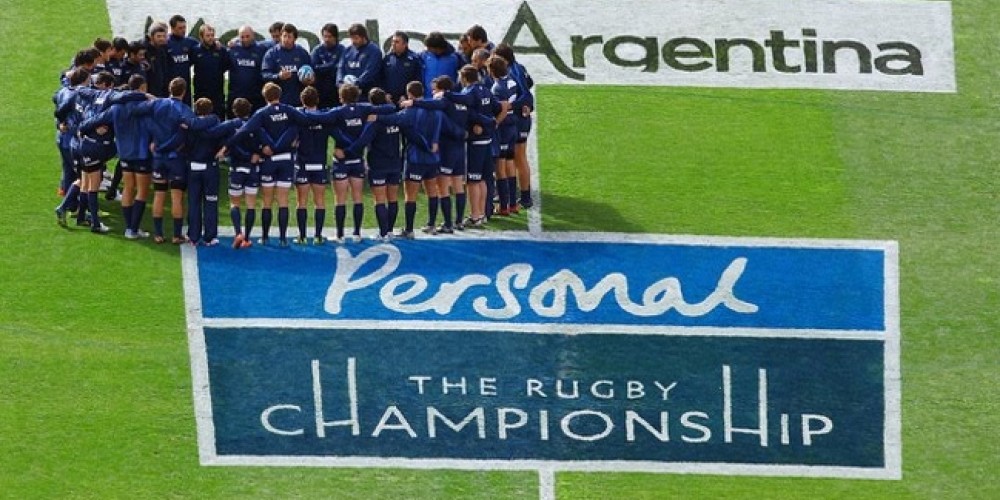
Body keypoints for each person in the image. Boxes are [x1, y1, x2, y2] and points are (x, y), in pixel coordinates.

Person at [228, 82, 311, 246]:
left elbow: (245, 130)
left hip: (269, 161)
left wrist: (227, 145)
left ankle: (265, 237)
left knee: (267, 201)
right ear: (279, 95)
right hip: (286, 159)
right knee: (283, 201)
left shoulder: (262, 113)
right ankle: (282, 239)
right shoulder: (289, 110)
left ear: (264, 96)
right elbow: (305, 120)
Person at [309, 83, 394, 243]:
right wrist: (381, 111)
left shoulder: (338, 112)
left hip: (341, 160)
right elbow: (390, 109)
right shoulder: (364, 108)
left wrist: (299, 111)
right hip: (357, 159)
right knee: (357, 198)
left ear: (341, 97)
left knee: (340, 199)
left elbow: (316, 117)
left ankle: (340, 235)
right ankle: (356, 234)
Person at [78, 74, 155, 239]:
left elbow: (93, 120)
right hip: (142, 154)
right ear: (142, 88)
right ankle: (133, 229)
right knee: (141, 191)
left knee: (128, 188)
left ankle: (129, 229)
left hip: (125, 153)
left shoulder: (115, 109)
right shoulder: (146, 106)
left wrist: (82, 129)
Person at [373, 81, 443, 239]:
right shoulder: (436, 110)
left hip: (415, 158)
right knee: (432, 191)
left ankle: (409, 229)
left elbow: (393, 119)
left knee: (410, 195)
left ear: (409, 94)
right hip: (433, 157)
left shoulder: (410, 112)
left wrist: (376, 116)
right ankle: (431, 224)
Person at [211, 98, 259, 249]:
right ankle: (247, 238)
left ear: (233, 110)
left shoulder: (230, 125)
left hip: (237, 168)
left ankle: (238, 233)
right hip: (252, 169)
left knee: (235, 203)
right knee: (251, 204)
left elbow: (213, 133)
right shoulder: (255, 124)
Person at [494, 43, 535, 209]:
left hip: (516, 119)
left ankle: (517, 196)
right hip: (522, 118)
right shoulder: (520, 67)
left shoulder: (511, 71)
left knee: (514, 157)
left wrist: (513, 106)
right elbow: (529, 83)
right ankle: (523, 196)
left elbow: (526, 94)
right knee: (518, 157)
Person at [293, 87, 332, 245]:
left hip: (302, 164)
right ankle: (317, 235)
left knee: (301, 201)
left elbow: (293, 141)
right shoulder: (325, 118)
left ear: (302, 101)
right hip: (319, 164)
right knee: (319, 201)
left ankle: (302, 236)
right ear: (317, 100)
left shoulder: (298, 118)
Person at [488, 55, 519, 216]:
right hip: (514, 126)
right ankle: (513, 203)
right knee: (510, 164)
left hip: (504, 129)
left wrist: (495, 124)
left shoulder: (496, 88)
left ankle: (504, 206)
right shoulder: (512, 81)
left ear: (492, 70)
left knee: (500, 168)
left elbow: (503, 109)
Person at [261, 23, 313, 107]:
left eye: (289, 37)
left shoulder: (302, 53)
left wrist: (309, 80)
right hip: (279, 101)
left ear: (294, 39)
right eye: (284, 36)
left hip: (298, 101)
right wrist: (278, 76)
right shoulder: (272, 54)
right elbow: (265, 75)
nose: (286, 39)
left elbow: (311, 72)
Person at [227, 25, 267, 117]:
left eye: (247, 36)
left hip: (256, 97)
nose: (245, 39)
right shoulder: (232, 49)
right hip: (236, 96)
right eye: (242, 37)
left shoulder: (262, 50)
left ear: (253, 35)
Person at [192, 24, 229, 119]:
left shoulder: (221, 50)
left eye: (212, 35)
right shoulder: (195, 50)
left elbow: (226, 66)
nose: (211, 38)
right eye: (208, 36)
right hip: (200, 93)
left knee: (218, 120)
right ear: (201, 36)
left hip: (217, 94)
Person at [338, 23, 382, 98]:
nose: (353, 41)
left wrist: (356, 84)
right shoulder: (347, 51)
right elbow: (340, 68)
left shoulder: (374, 51)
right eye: (351, 38)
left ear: (364, 37)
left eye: (356, 38)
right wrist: (340, 83)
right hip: (348, 95)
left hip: (366, 95)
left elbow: (370, 72)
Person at [166, 15, 198, 105]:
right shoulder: (166, 43)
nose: (183, 30)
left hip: (185, 87)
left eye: (184, 27)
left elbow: (205, 46)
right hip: (170, 87)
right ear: (172, 28)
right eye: (180, 28)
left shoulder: (191, 42)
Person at [382, 31, 421, 104]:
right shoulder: (387, 58)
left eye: (397, 42)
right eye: (392, 41)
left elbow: (417, 79)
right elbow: (382, 78)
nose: (393, 44)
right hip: (389, 100)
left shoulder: (413, 59)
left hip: (406, 100)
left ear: (405, 44)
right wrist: (385, 93)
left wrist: (406, 96)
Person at [311, 23, 344, 109]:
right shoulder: (317, 50)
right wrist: (332, 65)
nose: (327, 39)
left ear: (335, 37)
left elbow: (342, 68)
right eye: (325, 36)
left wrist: (324, 67)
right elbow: (314, 68)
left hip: (337, 92)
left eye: (329, 37)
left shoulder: (342, 50)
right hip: (321, 91)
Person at [420, 32, 461, 99]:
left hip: (447, 98)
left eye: (429, 48)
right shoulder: (424, 56)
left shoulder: (455, 57)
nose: (427, 49)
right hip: (428, 97)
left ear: (437, 48)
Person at [144, 22, 170, 97]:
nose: (161, 39)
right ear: (151, 37)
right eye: (158, 36)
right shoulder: (145, 50)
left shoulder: (162, 50)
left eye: (163, 36)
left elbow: (164, 71)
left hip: (161, 92)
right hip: (149, 92)